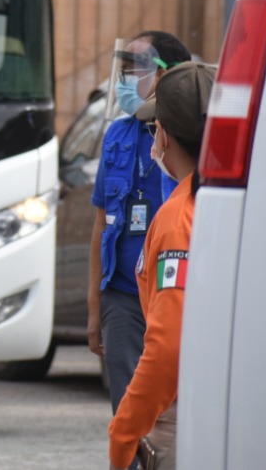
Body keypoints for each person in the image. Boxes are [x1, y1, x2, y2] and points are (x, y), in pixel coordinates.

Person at [108, 61, 215, 470]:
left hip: (182, 414)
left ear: (164, 135)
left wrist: (124, 432)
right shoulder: (237, 201)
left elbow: (169, 346)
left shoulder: (177, 218)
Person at [87, 31, 191, 415]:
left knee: (172, 410)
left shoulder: (193, 134)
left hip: (175, 293)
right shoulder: (117, 135)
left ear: (169, 75)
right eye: (124, 69)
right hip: (123, 296)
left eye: (136, 69)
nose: (125, 79)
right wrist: (95, 308)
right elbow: (101, 224)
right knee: (128, 410)